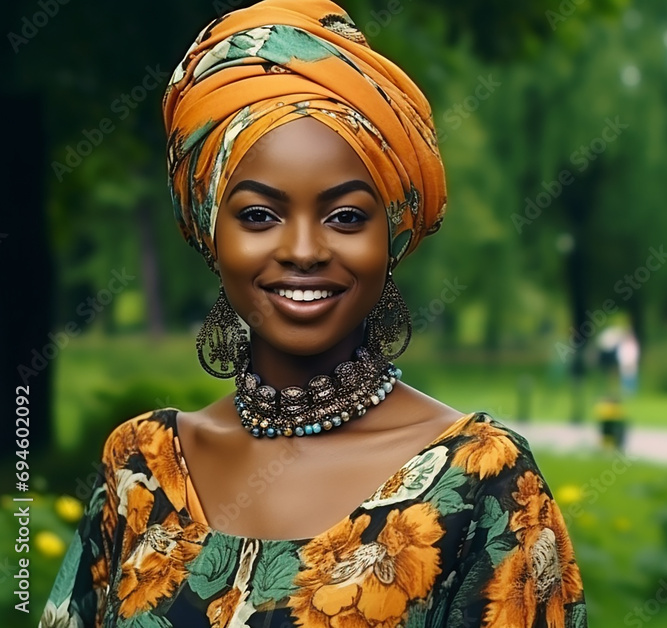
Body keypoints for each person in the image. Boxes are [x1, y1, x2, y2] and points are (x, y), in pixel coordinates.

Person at [40, 2, 587, 626]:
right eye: (259, 216)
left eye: (346, 217)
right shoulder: (140, 465)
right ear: (210, 233)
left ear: (393, 236)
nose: (303, 250)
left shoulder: (481, 479)